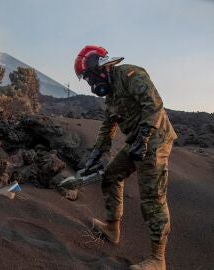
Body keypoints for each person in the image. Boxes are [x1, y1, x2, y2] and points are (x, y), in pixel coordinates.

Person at [74, 45, 177, 270]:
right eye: (87, 80)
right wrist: (96, 152)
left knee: (152, 196)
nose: (92, 85)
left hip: (155, 138)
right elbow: (108, 124)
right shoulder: (111, 94)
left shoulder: (131, 74)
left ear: (102, 67)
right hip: (136, 142)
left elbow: (154, 106)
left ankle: (158, 259)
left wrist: (144, 136)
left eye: (91, 77)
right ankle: (112, 228)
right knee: (111, 176)